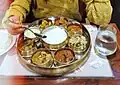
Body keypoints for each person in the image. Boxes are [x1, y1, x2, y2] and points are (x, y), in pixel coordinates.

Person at [2, 0, 112, 35]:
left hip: (73, 29)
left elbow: (100, 18)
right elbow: (20, 3)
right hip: (41, 30)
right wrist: (14, 17)